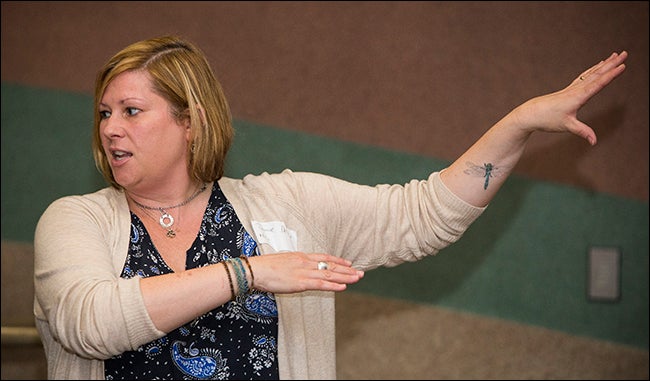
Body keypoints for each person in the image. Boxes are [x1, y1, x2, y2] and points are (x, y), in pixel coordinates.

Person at [33, 35, 628, 380]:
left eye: (131, 111)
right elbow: (91, 326)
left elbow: (425, 215)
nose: (111, 128)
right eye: (104, 113)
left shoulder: (288, 205)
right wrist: (246, 273)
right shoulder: (75, 220)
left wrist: (518, 125)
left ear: (192, 121)